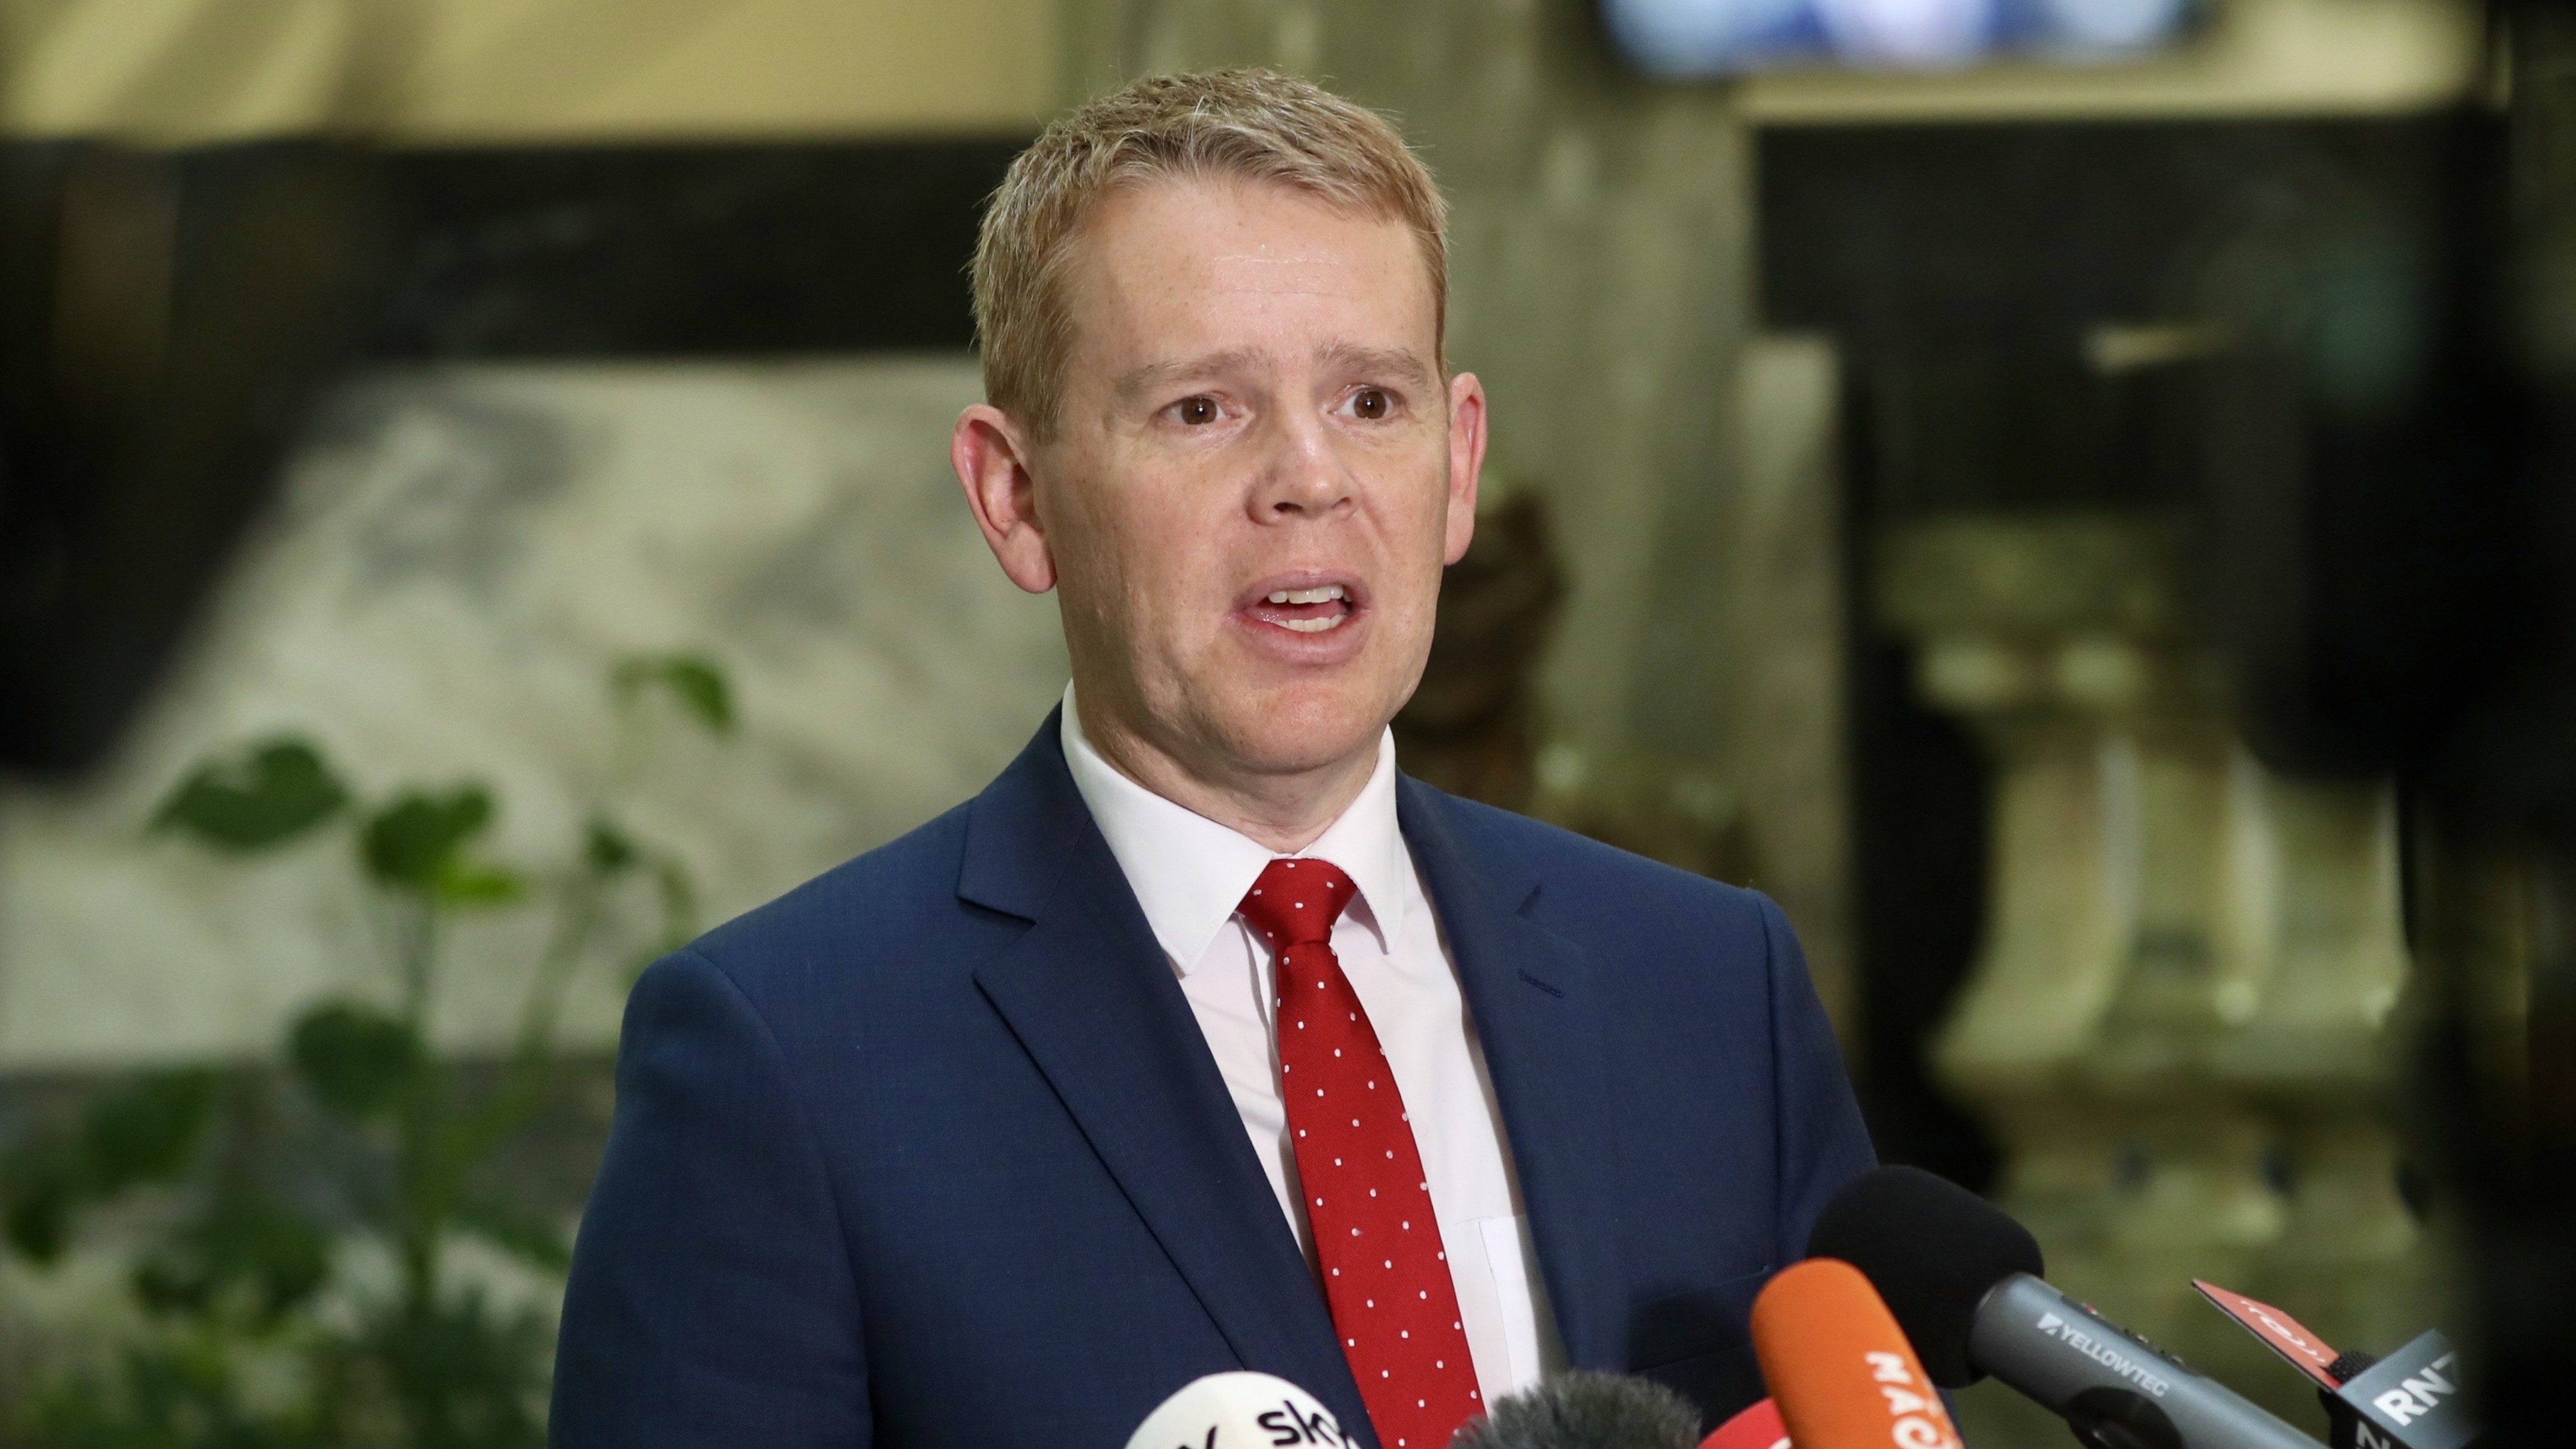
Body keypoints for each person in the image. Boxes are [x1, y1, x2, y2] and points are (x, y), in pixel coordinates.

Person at [550, 69, 1873, 1449]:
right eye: (1201, 410)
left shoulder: (1711, 989)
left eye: (1370, 400)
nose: (1308, 476)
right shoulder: (790, 1062)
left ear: (1458, 464)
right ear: (1016, 497)